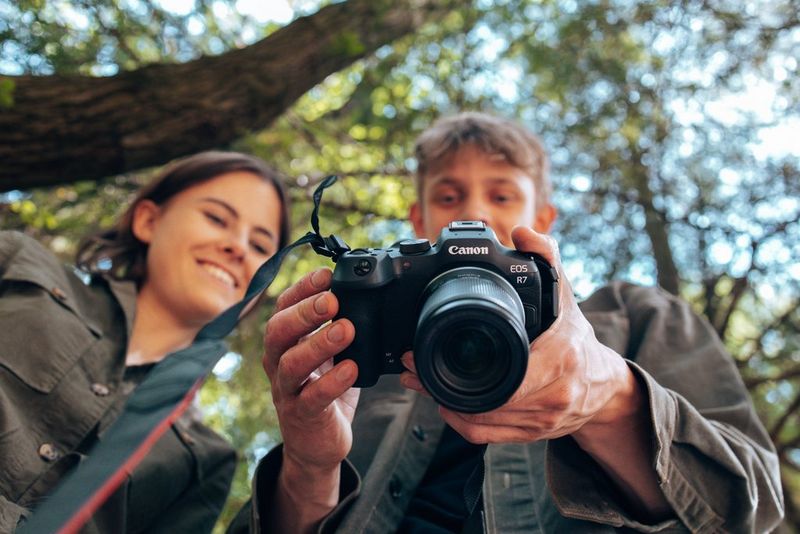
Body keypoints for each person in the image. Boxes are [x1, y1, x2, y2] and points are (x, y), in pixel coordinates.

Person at [252, 112, 784, 533]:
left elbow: (754, 510)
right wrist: (308, 468)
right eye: (448, 196)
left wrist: (610, 399)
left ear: (544, 220)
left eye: (502, 194)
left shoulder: (635, 315)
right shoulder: (369, 356)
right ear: (417, 220)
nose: (476, 213)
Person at [0, 151, 290, 533]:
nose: (237, 247)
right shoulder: (20, 263)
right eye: (217, 218)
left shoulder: (206, 462)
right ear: (148, 221)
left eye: (260, 246)